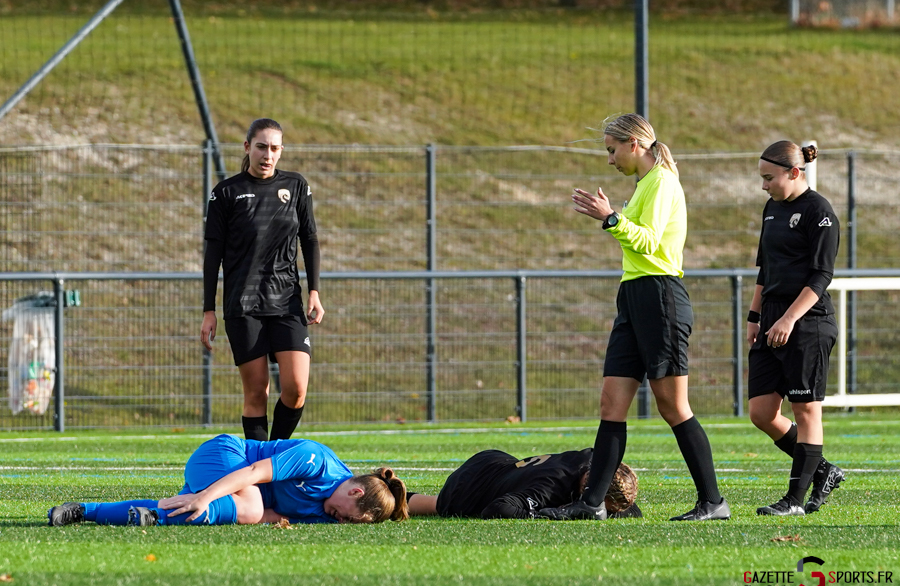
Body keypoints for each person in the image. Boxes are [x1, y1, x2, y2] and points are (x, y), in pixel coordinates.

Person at [540, 113, 728, 522]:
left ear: (634, 144)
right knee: (612, 403)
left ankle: (713, 502)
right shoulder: (645, 184)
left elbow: (650, 244)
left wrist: (611, 218)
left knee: (673, 406)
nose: (609, 160)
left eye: (612, 150)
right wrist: (613, 218)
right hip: (635, 296)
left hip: (660, 296)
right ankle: (591, 505)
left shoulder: (662, 182)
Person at [202, 118, 323, 442]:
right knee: (257, 393)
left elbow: (309, 240)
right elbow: (212, 255)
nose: (267, 154)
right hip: (244, 304)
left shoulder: (296, 186)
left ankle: (274, 453)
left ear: (281, 151)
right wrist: (208, 309)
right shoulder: (227, 193)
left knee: (296, 389)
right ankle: (259, 471)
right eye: (261, 147)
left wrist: (314, 291)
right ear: (247, 147)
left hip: (286, 302)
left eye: (274, 148)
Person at [748, 141, 844, 517]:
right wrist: (755, 318)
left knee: (805, 409)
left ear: (794, 173)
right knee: (761, 413)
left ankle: (794, 502)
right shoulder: (771, 209)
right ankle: (823, 471)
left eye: (769, 178)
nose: (764, 186)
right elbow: (764, 268)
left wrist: (789, 318)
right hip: (771, 316)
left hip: (808, 320)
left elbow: (822, 275)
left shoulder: (820, 212)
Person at [48, 434, 408, 527]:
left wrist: (208, 504)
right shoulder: (317, 461)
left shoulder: (327, 511)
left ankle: (84, 510)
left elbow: (273, 516)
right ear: (355, 491)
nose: (340, 521)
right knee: (249, 505)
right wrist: (206, 496)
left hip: (232, 492)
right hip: (223, 456)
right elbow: (253, 474)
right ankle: (175, 511)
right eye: (349, 516)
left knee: (167, 510)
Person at [406, 448, 642, 519]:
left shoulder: (593, 457)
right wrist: (547, 514)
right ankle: (389, 493)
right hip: (470, 486)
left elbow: (634, 512)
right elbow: (498, 508)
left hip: (497, 461)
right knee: (438, 506)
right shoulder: (551, 487)